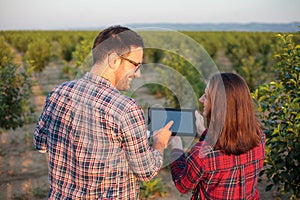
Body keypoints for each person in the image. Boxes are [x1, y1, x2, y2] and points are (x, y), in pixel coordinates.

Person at [33, 25, 173, 199]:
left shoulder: (57, 93)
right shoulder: (126, 109)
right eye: (136, 66)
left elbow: (40, 144)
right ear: (114, 60)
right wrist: (159, 143)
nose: (138, 74)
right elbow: (146, 172)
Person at [170, 72, 266, 200]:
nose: (201, 99)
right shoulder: (259, 137)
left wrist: (176, 147)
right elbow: (227, 142)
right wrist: (203, 132)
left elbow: (183, 185)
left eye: (206, 96)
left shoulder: (201, 154)